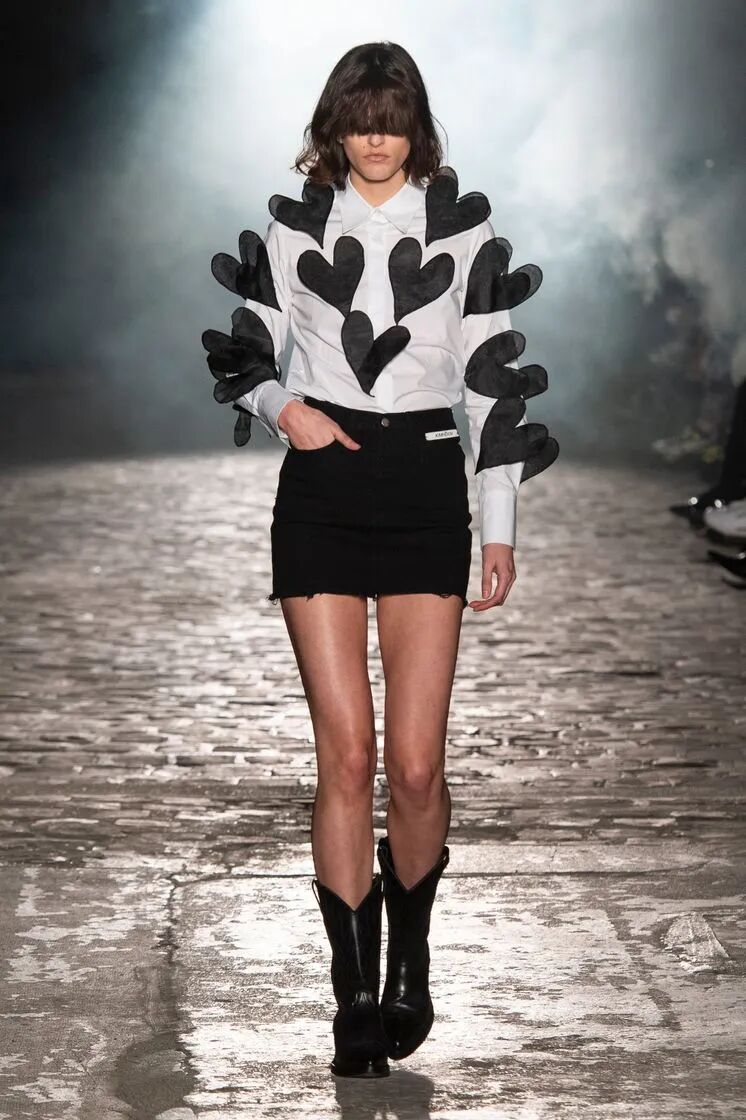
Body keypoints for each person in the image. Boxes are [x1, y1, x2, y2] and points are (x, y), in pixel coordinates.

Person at [202, 41, 558, 1079]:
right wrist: (287, 410)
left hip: (423, 488)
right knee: (347, 758)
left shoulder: (460, 227)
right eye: (359, 118)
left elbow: (492, 379)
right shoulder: (294, 224)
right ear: (333, 124)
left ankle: (413, 957)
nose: (374, 137)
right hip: (321, 489)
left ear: (416, 128)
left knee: (414, 765)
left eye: (391, 120)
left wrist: (498, 522)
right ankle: (352, 996)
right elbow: (243, 352)